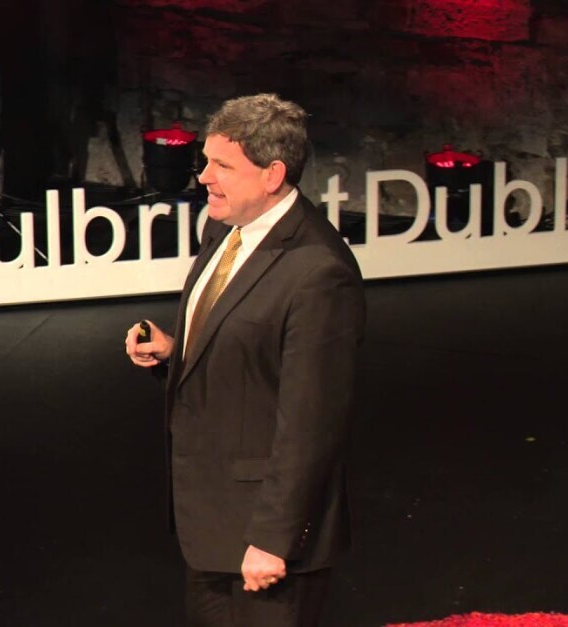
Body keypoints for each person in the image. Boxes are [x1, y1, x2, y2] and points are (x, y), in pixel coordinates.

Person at [124, 93, 365, 627]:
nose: (204, 177)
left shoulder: (319, 273)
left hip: (265, 542)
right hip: (210, 522)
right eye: (206, 161)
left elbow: (312, 423)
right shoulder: (225, 228)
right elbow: (248, 350)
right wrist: (175, 351)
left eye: (223, 166)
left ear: (272, 174)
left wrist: (274, 539)